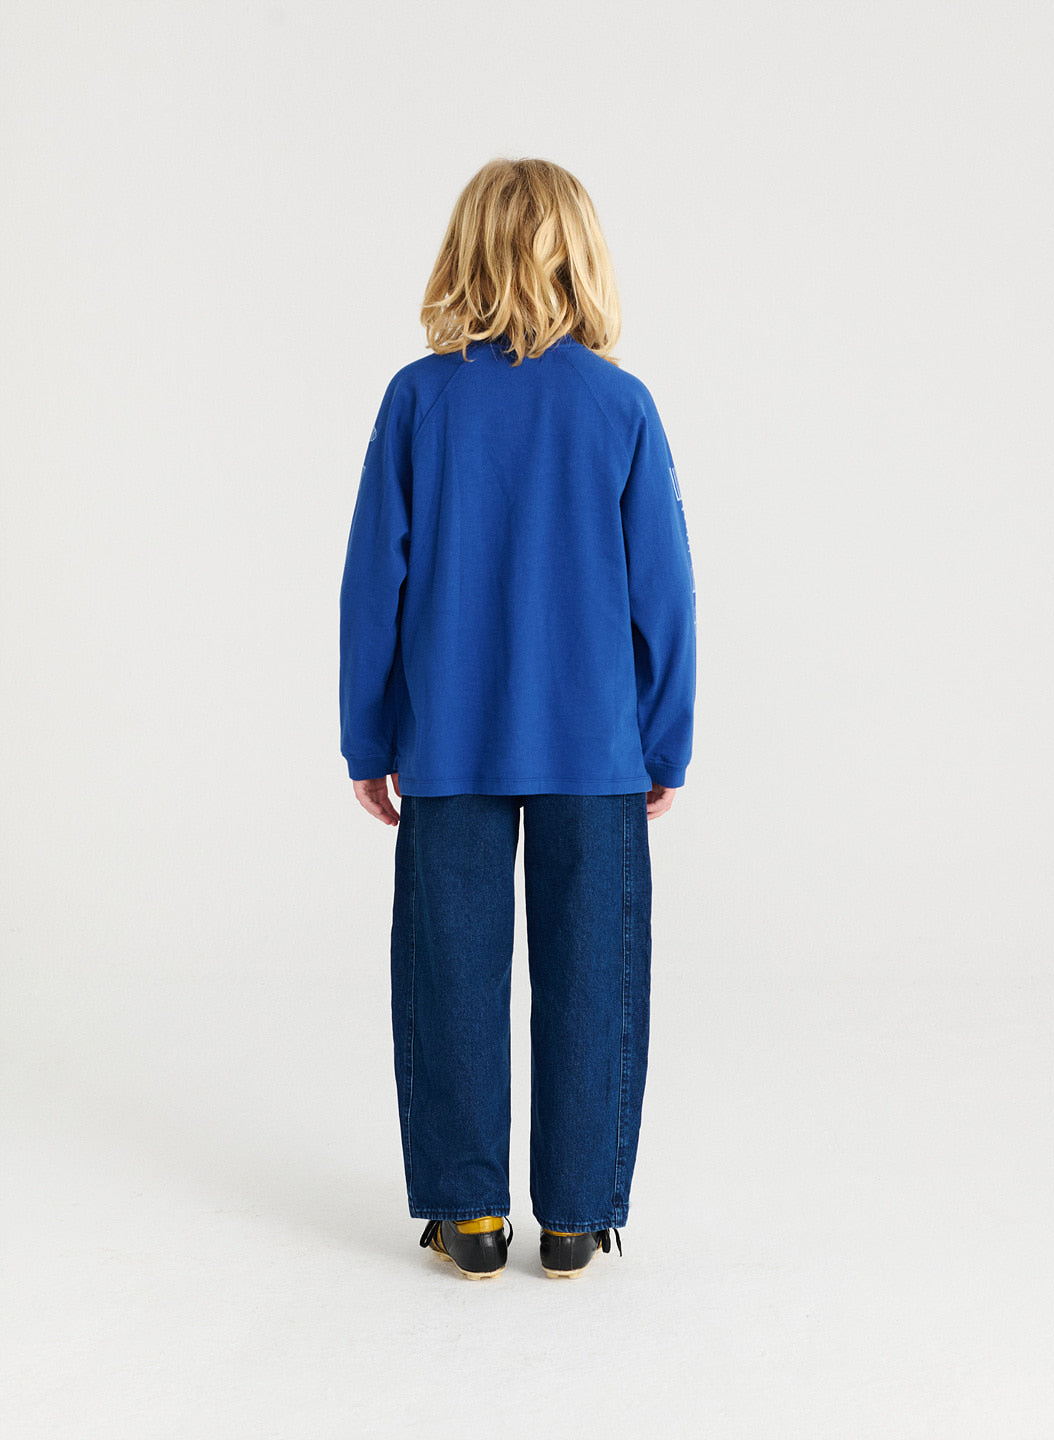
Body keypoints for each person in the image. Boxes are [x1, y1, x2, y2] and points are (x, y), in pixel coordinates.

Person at [339, 157, 696, 1280]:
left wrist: (369, 736)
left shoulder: (418, 400)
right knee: (594, 976)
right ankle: (577, 1217)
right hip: (595, 745)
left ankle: (471, 1215)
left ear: (467, 254)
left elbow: (372, 585)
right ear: (581, 257)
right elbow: (665, 593)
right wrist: (665, 737)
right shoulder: (620, 405)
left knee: (451, 973)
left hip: (449, 742)